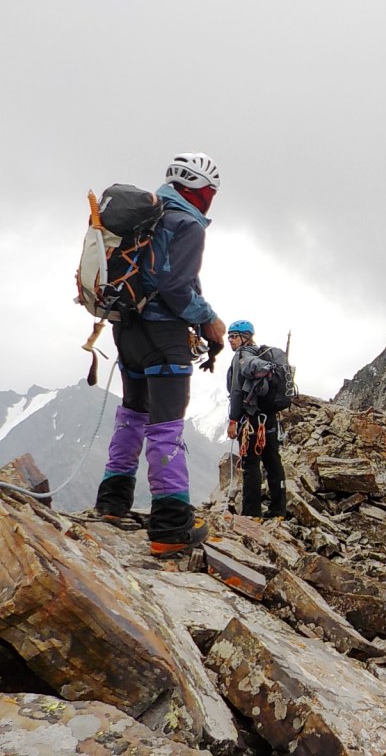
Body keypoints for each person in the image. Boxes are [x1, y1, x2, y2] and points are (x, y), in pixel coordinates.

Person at [93, 152, 226, 557]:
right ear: (198, 189)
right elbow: (176, 289)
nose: (210, 200)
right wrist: (210, 321)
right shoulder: (186, 223)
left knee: (132, 412)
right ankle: (170, 527)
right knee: (166, 425)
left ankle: (112, 504)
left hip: (126, 327)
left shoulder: (147, 215)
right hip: (163, 335)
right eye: (210, 192)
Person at [226, 320, 287, 519]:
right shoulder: (265, 356)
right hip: (269, 419)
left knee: (251, 465)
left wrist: (233, 420)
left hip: (251, 420)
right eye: (229, 336)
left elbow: (236, 392)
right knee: (272, 462)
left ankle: (251, 515)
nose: (230, 340)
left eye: (234, 336)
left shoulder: (242, 356)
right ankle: (279, 509)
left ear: (245, 337)